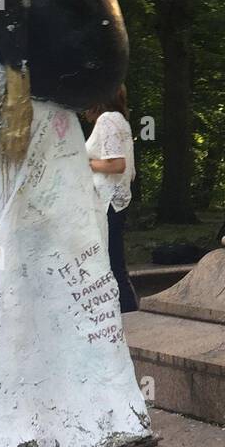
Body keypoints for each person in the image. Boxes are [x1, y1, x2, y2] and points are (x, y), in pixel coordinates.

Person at [85, 87, 138, 313]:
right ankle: (125, 308)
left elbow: (117, 164)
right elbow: (129, 169)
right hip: (117, 199)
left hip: (107, 200)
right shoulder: (121, 121)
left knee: (111, 260)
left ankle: (125, 310)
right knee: (114, 259)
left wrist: (83, 163)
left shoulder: (107, 120)